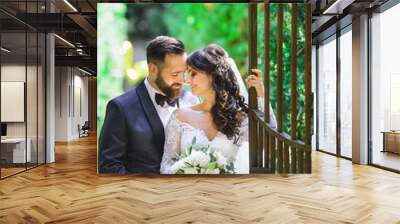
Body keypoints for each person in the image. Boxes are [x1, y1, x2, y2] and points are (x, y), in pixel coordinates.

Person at [160, 44, 276, 174]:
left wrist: (260, 93)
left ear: (212, 75)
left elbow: (269, 139)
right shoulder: (179, 117)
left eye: (193, 73)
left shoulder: (240, 118)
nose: (188, 81)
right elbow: (166, 165)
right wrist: (185, 170)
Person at [99, 36, 198, 173]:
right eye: (175, 74)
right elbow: (109, 166)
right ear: (152, 69)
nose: (182, 80)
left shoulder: (192, 101)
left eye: (184, 73)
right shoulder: (121, 108)